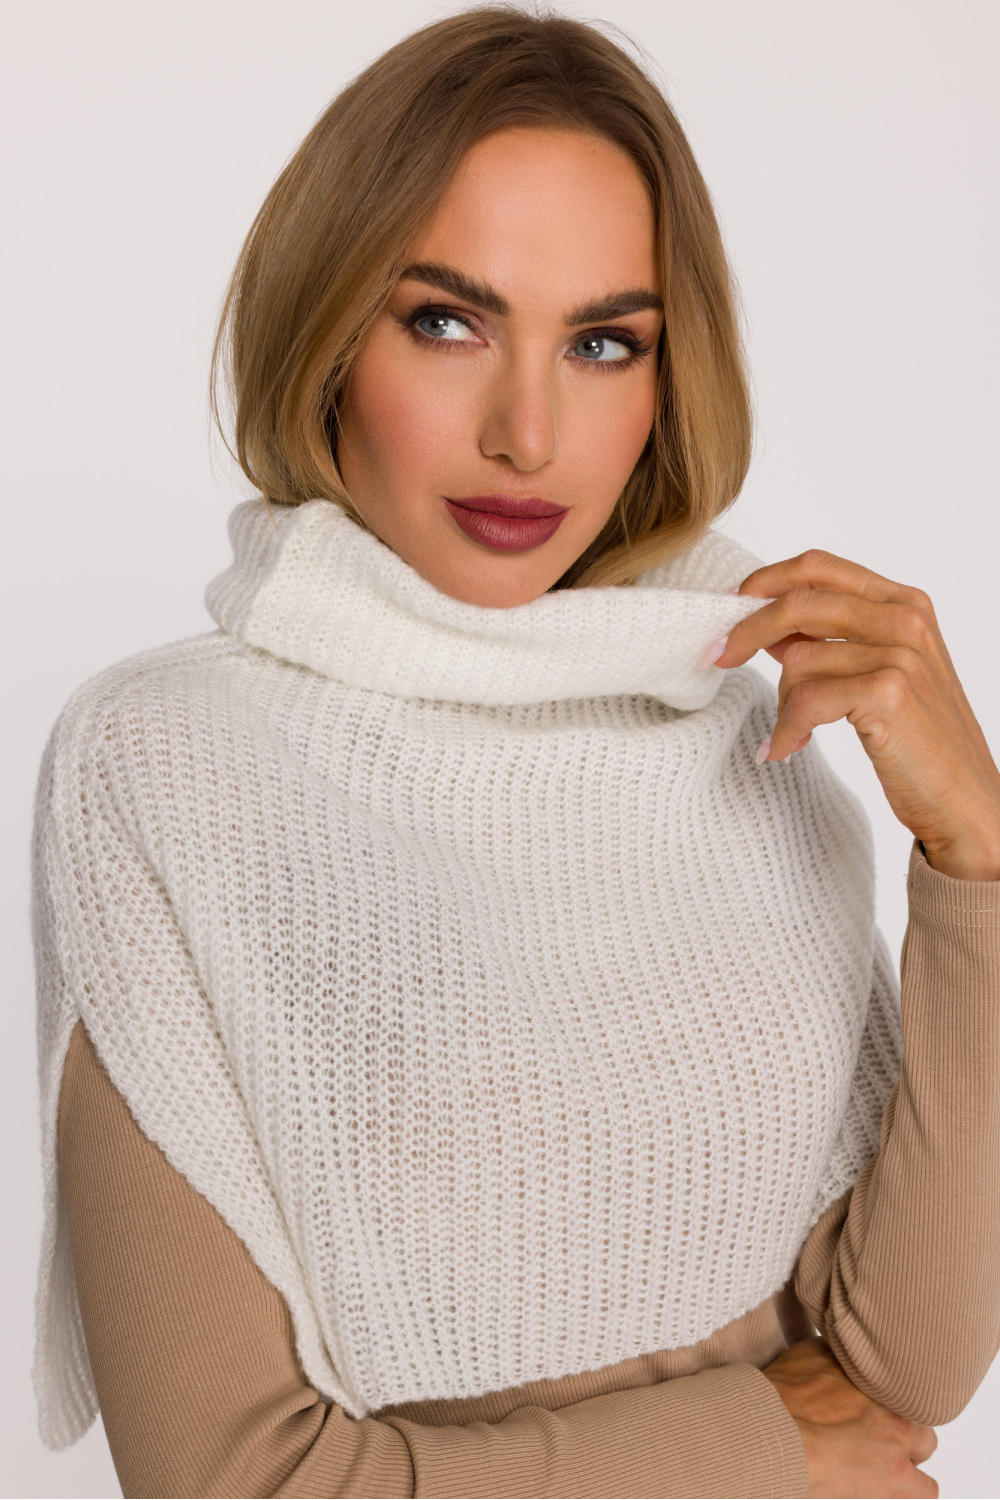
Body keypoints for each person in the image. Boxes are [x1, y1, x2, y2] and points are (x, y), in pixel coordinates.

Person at [31, 8, 1000, 1498]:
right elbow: (234, 1479)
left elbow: (908, 1368)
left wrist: (976, 856)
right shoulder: (164, 767)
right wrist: (752, 1442)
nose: (529, 435)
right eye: (446, 322)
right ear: (326, 336)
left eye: (604, 344)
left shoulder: (736, 714)